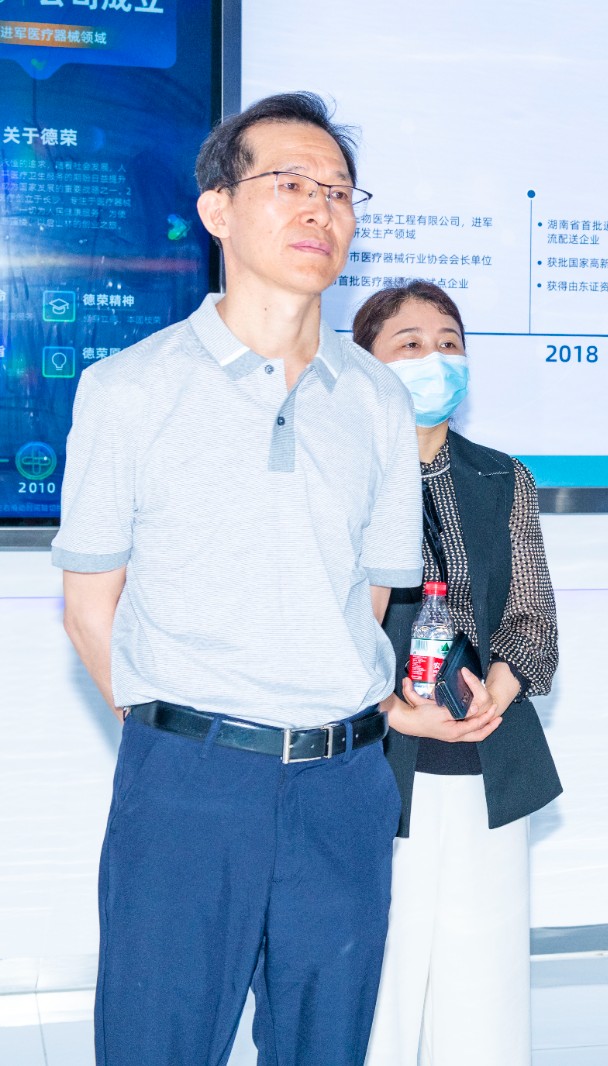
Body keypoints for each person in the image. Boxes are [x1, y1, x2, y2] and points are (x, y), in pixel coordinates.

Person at [52, 93, 420, 1065]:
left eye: (338, 191)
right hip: (189, 783)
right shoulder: (129, 389)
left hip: (344, 785)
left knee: (325, 1048)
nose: (320, 208)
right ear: (217, 208)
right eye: (290, 183)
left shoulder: (377, 399)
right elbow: (90, 607)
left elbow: (369, 597)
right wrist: (187, 736)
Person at [353, 280, 561, 1065]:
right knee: (380, 975)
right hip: (373, 753)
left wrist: (502, 683)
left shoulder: (502, 476)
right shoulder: (340, 471)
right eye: (409, 344)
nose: (434, 358)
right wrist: (390, 705)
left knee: (484, 979)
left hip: (486, 751)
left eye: (449, 342)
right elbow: (321, 621)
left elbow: (533, 616)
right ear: (365, 363)